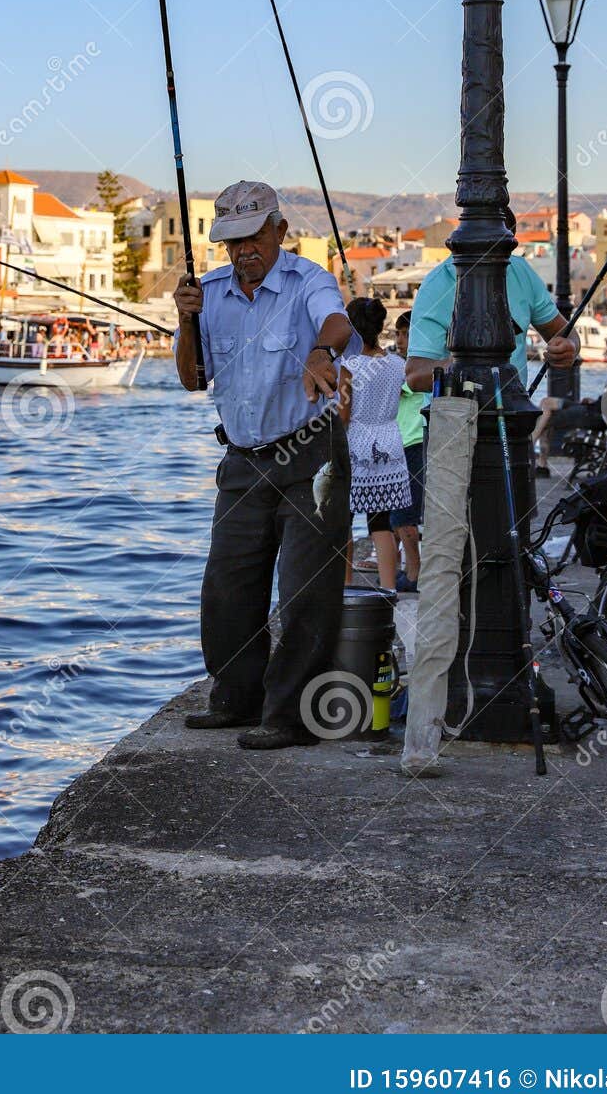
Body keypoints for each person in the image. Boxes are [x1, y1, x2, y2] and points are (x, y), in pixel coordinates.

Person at [173, 180, 357, 751]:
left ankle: (291, 717)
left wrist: (320, 353)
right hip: (242, 460)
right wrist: (184, 322)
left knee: (306, 588)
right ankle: (234, 697)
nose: (243, 251)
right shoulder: (208, 294)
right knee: (227, 584)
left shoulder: (309, 281)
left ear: (279, 231)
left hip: (310, 452)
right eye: (232, 242)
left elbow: (338, 323)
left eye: (254, 238)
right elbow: (191, 378)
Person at [405, 208, 580, 394]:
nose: (502, 257)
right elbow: (415, 375)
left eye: (506, 249)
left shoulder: (521, 272)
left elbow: (567, 335)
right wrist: (467, 366)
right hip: (454, 417)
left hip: (513, 412)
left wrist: (569, 348)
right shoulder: (436, 285)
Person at [338, 297, 410, 593]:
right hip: (390, 441)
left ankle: (344, 586)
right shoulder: (397, 364)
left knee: (343, 521)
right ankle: (389, 588)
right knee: (381, 522)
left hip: (356, 442)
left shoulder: (348, 366)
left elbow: (343, 414)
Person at [534, 328, 607, 468]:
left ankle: (534, 453)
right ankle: (538, 457)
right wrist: (595, 401)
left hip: (597, 417)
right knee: (547, 403)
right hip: (592, 409)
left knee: (546, 416)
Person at [390, 311, 424, 592]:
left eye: (405, 333)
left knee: (405, 516)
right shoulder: (400, 365)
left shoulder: (414, 371)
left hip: (413, 443)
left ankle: (414, 574)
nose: (400, 340)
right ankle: (401, 568)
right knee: (396, 516)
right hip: (398, 444)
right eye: (397, 334)